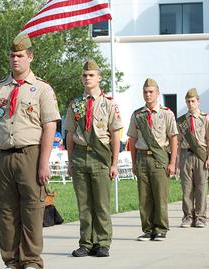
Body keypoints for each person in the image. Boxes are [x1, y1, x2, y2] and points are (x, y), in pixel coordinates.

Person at [0, 34, 60, 269]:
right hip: (3, 156)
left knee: (32, 209)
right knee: (5, 211)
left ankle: (31, 260)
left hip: (30, 154)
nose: (15, 60)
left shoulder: (42, 90)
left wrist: (44, 162)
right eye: (12, 56)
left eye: (20, 56)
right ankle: (11, 260)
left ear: (30, 57)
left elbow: (49, 127)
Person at [65, 60, 122, 257]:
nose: (87, 78)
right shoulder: (76, 104)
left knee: (101, 203)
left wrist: (114, 163)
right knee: (84, 203)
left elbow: (115, 135)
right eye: (84, 75)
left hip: (100, 157)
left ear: (99, 78)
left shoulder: (108, 104)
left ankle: (103, 242)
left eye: (91, 75)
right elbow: (69, 133)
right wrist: (70, 161)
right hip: (80, 155)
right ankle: (86, 243)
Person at [127, 78, 178, 241]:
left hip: (159, 157)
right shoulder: (137, 115)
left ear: (157, 93)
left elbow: (173, 139)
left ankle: (161, 228)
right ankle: (148, 229)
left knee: (160, 195)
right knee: (144, 196)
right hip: (142, 157)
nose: (148, 95)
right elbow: (133, 140)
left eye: (151, 92)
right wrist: (133, 162)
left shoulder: (166, 113)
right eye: (145, 92)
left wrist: (172, 162)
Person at [176, 88, 209, 228]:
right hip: (186, 154)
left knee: (201, 187)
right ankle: (187, 217)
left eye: (193, 101)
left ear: (198, 101)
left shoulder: (205, 118)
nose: (190, 104)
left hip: (200, 155)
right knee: (186, 188)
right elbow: (178, 142)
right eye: (188, 101)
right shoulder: (181, 121)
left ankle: (200, 217)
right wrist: (177, 160)